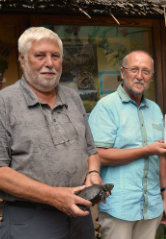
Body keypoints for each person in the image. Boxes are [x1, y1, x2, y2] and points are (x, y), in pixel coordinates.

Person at [0, 27, 103, 239]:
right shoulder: (4, 103)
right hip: (30, 220)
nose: (49, 63)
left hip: (79, 216)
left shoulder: (73, 98)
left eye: (55, 56)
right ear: (23, 59)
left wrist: (93, 173)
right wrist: (54, 196)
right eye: (40, 55)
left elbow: (91, 151)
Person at [88, 50, 166, 239]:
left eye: (146, 71)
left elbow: (159, 156)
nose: (139, 76)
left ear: (151, 76)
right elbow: (98, 155)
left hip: (151, 204)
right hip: (119, 206)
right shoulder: (106, 107)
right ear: (122, 72)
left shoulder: (154, 109)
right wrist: (146, 150)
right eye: (134, 69)